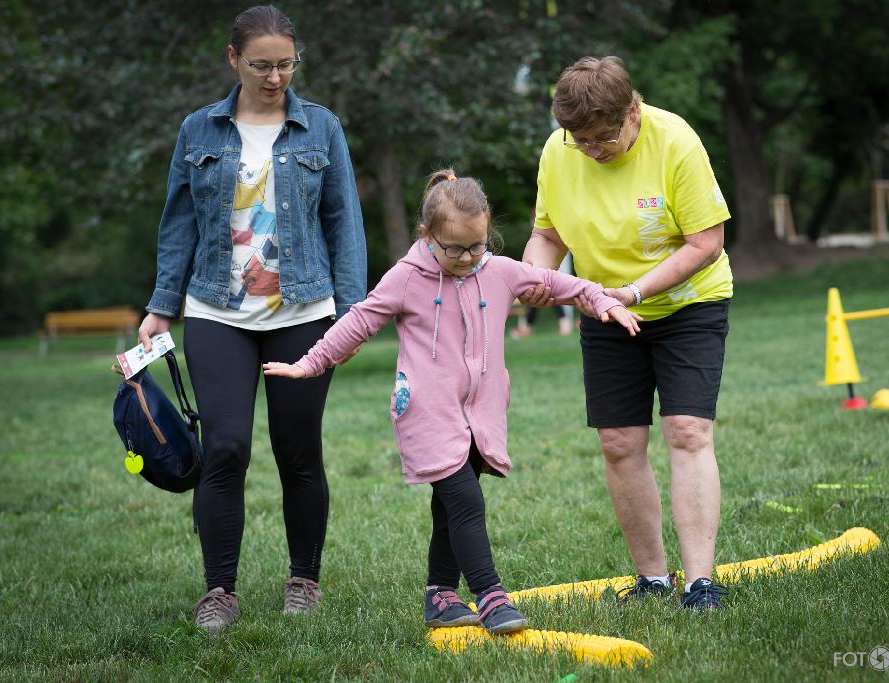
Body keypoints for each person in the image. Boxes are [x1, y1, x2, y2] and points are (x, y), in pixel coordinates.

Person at [263, 169, 640, 634]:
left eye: (477, 246)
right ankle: (490, 595)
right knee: (464, 501)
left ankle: (439, 594)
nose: (466, 258)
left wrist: (601, 300)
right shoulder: (406, 278)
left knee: (450, 504)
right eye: (454, 248)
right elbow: (359, 321)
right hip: (428, 411)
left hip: (482, 412)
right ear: (428, 236)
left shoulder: (498, 271)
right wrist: (310, 363)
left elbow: (561, 284)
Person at [137, 5, 367, 634]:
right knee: (226, 448)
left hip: (305, 308)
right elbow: (178, 222)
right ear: (233, 59)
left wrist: (351, 318)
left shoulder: (322, 128)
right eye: (262, 65)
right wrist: (162, 307)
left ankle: (304, 578)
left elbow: (344, 222)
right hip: (217, 308)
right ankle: (219, 589)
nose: (275, 77)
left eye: (285, 65)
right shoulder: (199, 130)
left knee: (298, 450)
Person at [520, 56, 733, 610]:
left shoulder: (676, 142)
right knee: (619, 443)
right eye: (580, 140)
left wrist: (635, 292)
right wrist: (536, 277)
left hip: (688, 304)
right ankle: (653, 579)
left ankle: (700, 582)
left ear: (632, 111)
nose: (591, 149)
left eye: (603, 137)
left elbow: (707, 241)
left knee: (687, 430)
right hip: (606, 309)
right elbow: (548, 235)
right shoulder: (557, 151)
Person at [510, 253, 575, 339]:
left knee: (548, 299)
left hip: (547, 275)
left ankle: (564, 325)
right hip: (542, 276)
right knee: (537, 301)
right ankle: (564, 325)